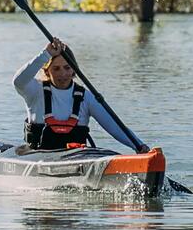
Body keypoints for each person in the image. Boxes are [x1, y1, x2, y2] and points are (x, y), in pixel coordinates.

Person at [13, 38, 146, 153]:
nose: (63, 74)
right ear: (47, 72)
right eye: (56, 68)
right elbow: (18, 81)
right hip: (37, 157)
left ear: (74, 69)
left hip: (77, 161)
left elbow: (113, 125)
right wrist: (46, 54)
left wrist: (139, 146)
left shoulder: (87, 98)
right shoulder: (34, 91)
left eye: (67, 67)